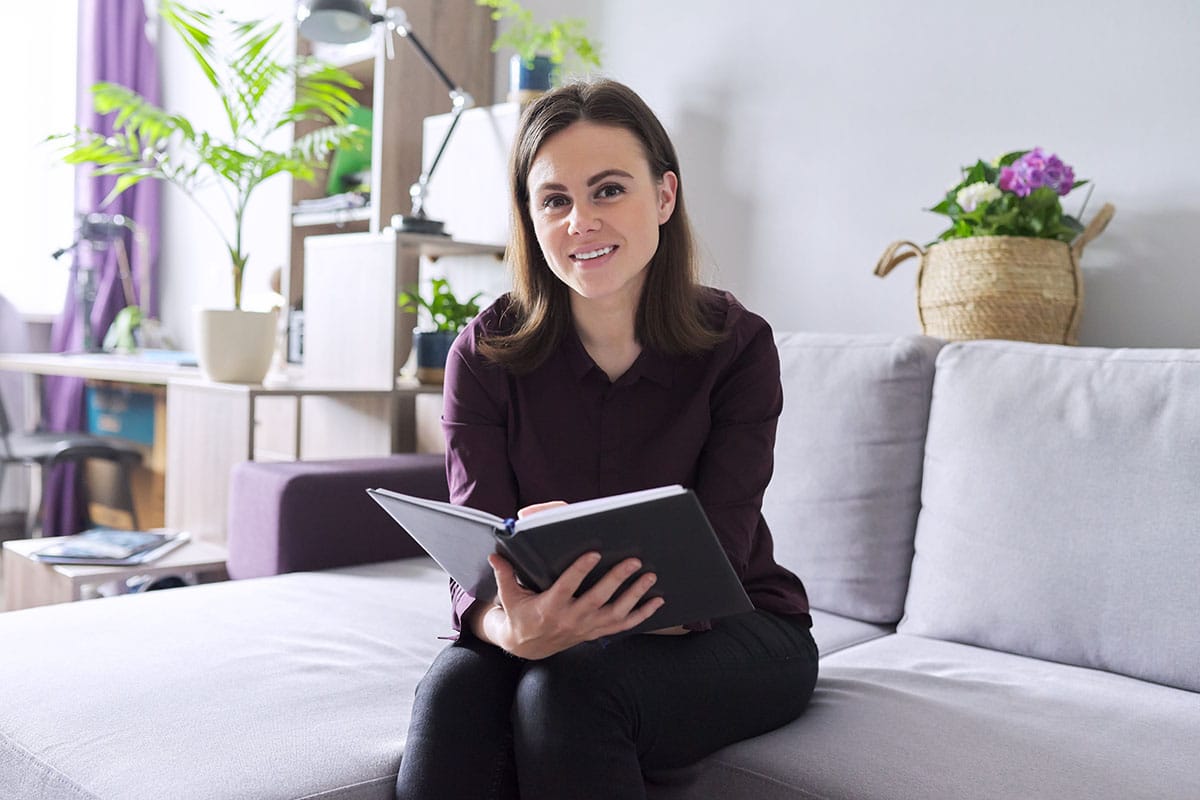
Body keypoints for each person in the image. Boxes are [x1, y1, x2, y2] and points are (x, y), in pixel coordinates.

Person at [395, 78, 817, 800]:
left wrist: (566, 631)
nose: (580, 221)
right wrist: (508, 631)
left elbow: (713, 558)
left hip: (736, 630)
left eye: (609, 190)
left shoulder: (739, 348)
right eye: (555, 200)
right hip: (542, 626)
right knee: (453, 698)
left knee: (569, 692)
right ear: (531, 220)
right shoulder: (482, 354)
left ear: (664, 196)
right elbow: (479, 562)